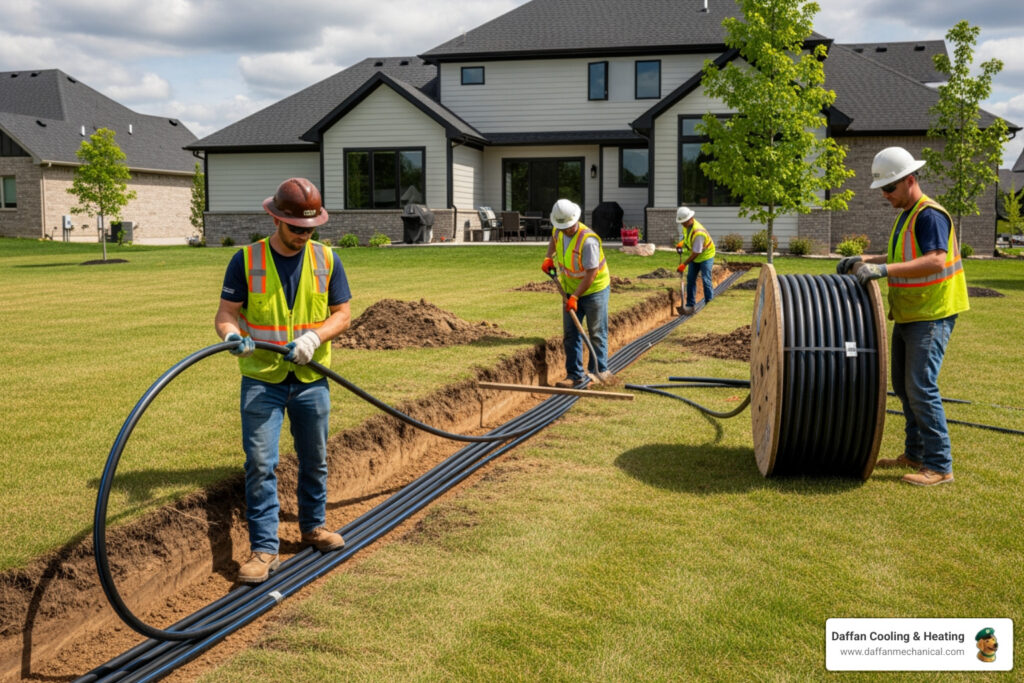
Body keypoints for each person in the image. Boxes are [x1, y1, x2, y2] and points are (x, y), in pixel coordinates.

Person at [215, 177, 353, 583]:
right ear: (275, 218)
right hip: (262, 379)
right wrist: (231, 336)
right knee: (261, 463)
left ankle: (313, 527)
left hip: (312, 377)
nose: (304, 236)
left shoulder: (327, 259)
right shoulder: (246, 259)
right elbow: (226, 313)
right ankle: (264, 550)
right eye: (297, 229)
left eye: (311, 229)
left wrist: (315, 337)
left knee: (316, 458)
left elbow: (342, 314)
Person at [836, 147, 968, 487]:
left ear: (910, 180)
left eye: (889, 188)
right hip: (910, 313)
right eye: (882, 189)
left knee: (921, 387)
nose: (884, 195)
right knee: (904, 387)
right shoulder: (907, 215)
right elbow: (900, 255)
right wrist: (866, 258)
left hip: (932, 313)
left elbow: (936, 260)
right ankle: (915, 454)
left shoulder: (929, 215)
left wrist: (881, 269)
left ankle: (939, 466)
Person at [540, 198, 612, 387]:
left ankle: (599, 371)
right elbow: (554, 240)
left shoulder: (588, 241)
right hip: (570, 289)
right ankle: (575, 375)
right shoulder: (559, 230)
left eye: (570, 226)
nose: (567, 230)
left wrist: (576, 297)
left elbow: (591, 273)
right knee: (571, 334)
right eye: (563, 227)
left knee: (596, 331)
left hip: (594, 289)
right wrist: (549, 257)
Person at [674, 206, 716, 315]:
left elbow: (696, 252)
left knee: (706, 279)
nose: (682, 224)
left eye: (683, 222)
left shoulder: (698, 232)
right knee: (690, 278)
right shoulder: (686, 226)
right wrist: (681, 243)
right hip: (696, 254)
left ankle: (709, 304)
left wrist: (684, 264)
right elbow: (686, 236)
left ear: (690, 219)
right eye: (681, 222)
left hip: (706, 256)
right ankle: (690, 305)